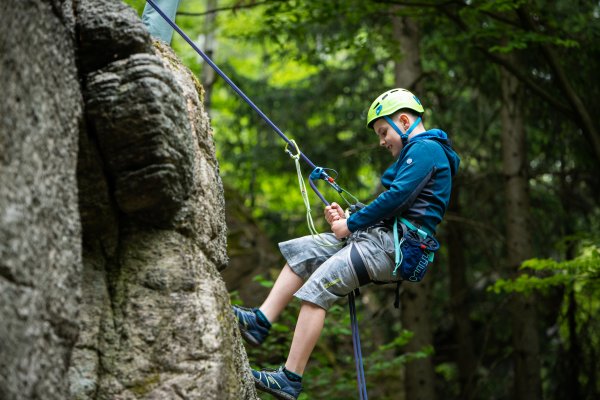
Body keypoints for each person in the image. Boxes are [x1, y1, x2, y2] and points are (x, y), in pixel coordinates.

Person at [233, 88, 460, 400]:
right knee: (304, 252)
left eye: (384, 132)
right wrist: (349, 217)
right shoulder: (419, 153)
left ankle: (289, 379)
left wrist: (350, 224)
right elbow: (396, 204)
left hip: (391, 248)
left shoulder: (427, 150)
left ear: (404, 121)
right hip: (380, 237)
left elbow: (397, 199)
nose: (382, 141)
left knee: (318, 287)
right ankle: (260, 321)